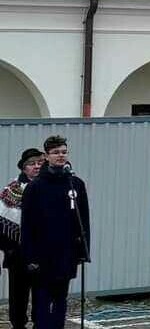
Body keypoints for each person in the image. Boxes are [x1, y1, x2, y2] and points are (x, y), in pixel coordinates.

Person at [20, 136, 90, 329]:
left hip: (67, 253)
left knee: (61, 299)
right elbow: (27, 224)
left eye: (64, 152)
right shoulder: (36, 186)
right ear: (47, 156)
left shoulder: (75, 183)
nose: (61, 156)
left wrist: (84, 251)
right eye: (56, 152)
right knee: (42, 302)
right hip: (43, 256)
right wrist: (30, 256)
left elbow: (83, 220)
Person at [1, 148, 45, 329]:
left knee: (41, 294)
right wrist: (9, 248)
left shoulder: (47, 187)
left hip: (43, 251)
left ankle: (39, 323)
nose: (36, 167)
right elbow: (2, 221)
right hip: (18, 252)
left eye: (39, 163)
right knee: (18, 295)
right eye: (32, 164)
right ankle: (18, 325)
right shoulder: (12, 190)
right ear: (23, 168)